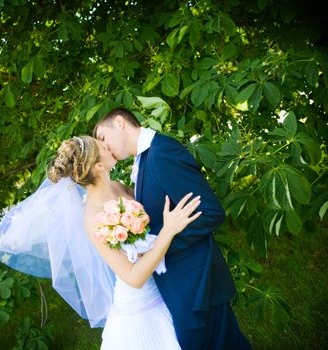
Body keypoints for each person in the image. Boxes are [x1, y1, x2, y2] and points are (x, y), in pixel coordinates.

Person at [0, 135, 202, 349]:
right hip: (141, 305)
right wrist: (169, 231)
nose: (109, 145)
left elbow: (152, 207)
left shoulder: (117, 187)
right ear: (98, 166)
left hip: (164, 284)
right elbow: (133, 277)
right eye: (103, 147)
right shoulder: (93, 218)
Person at [94, 108, 252, 349]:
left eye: (103, 138)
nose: (104, 148)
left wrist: (162, 245)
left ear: (119, 122)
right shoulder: (144, 160)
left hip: (199, 286)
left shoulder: (162, 153)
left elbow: (210, 212)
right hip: (182, 288)